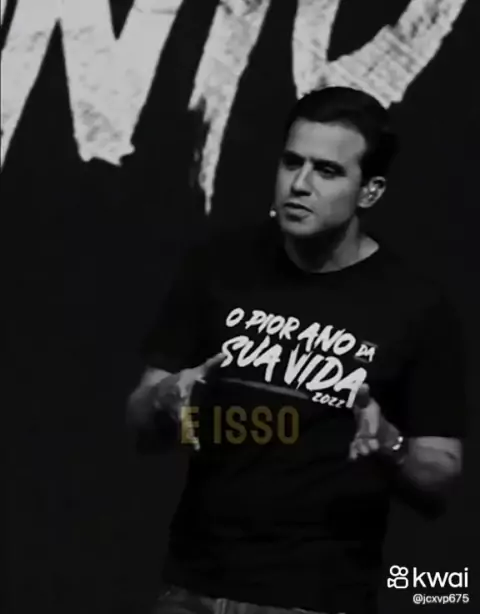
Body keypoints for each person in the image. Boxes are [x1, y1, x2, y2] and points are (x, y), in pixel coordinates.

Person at [127, 87, 466, 614]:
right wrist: (164, 399)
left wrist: (391, 443)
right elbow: (138, 421)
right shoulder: (218, 267)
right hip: (191, 588)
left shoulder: (416, 306)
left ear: (370, 191)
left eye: (327, 171)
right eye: (292, 162)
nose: (299, 184)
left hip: (318, 598)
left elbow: (441, 472)